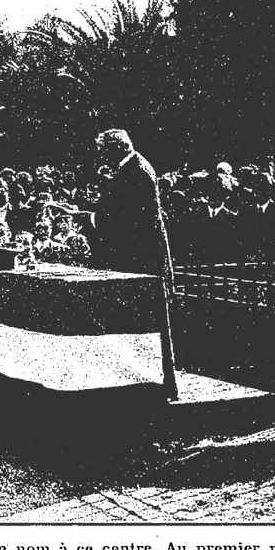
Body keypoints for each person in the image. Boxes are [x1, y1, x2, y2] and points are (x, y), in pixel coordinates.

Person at [88, 127, 179, 398]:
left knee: (152, 326)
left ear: (115, 148)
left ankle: (160, 387)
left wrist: (92, 219)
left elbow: (127, 221)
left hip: (144, 263)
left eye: (103, 149)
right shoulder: (131, 169)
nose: (100, 154)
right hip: (138, 260)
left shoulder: (136, 172)